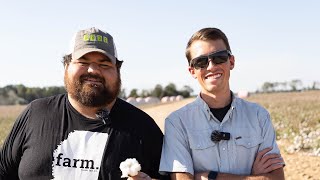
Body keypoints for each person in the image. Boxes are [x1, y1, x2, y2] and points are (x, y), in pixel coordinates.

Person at [0, 27, 163, 180]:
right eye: (83, 62)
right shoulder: (35, 114)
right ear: (66, 66)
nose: (93, 70)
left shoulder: (143, 127)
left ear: (117, 70)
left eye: (104, 64)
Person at [159, 27, 285, 179]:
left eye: (219, 57)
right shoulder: (177, 123)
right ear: (192, 71)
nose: (211, 66)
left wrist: (209, 177)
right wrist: (253, 176)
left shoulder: (259, 116)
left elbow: (277, 177)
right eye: (201, 62)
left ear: (231, 61)